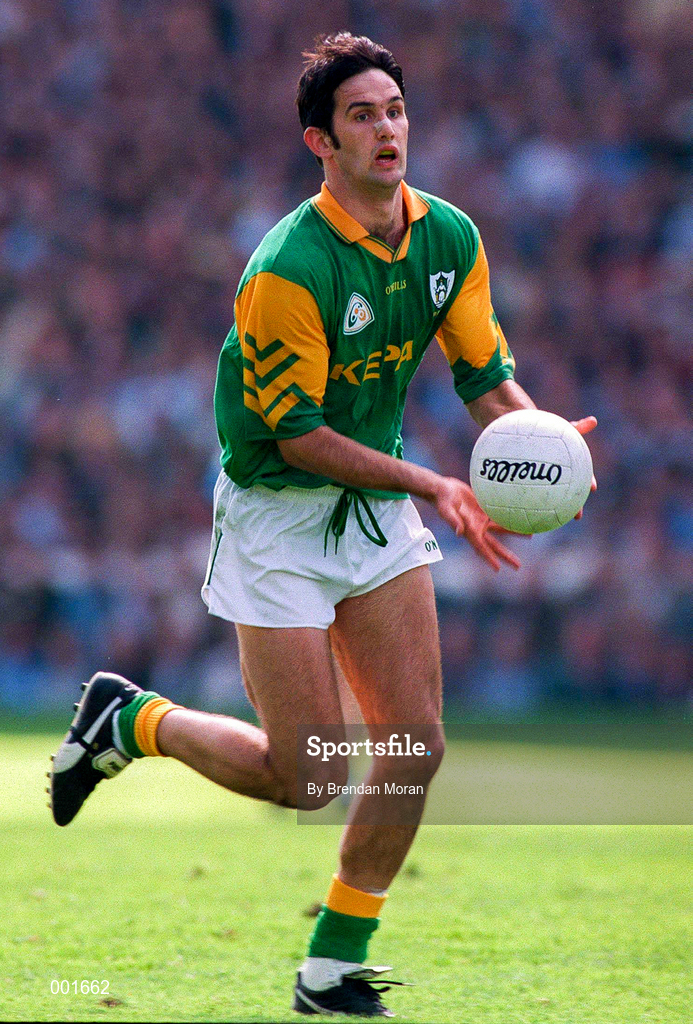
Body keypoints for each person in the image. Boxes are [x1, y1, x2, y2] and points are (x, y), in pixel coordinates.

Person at [49, 33, 596, 1017]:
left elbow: (484, 379)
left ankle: (333, 965)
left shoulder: (448, 238)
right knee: (306, 778)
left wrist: (546, 446)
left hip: (374, 513)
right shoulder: (288, 267)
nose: (387, 128)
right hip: (277, 518)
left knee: (414, 748)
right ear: (321, 141)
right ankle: (131, 720)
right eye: (362, 115)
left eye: (396, 109)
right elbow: (298, 437)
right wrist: (432, 484)